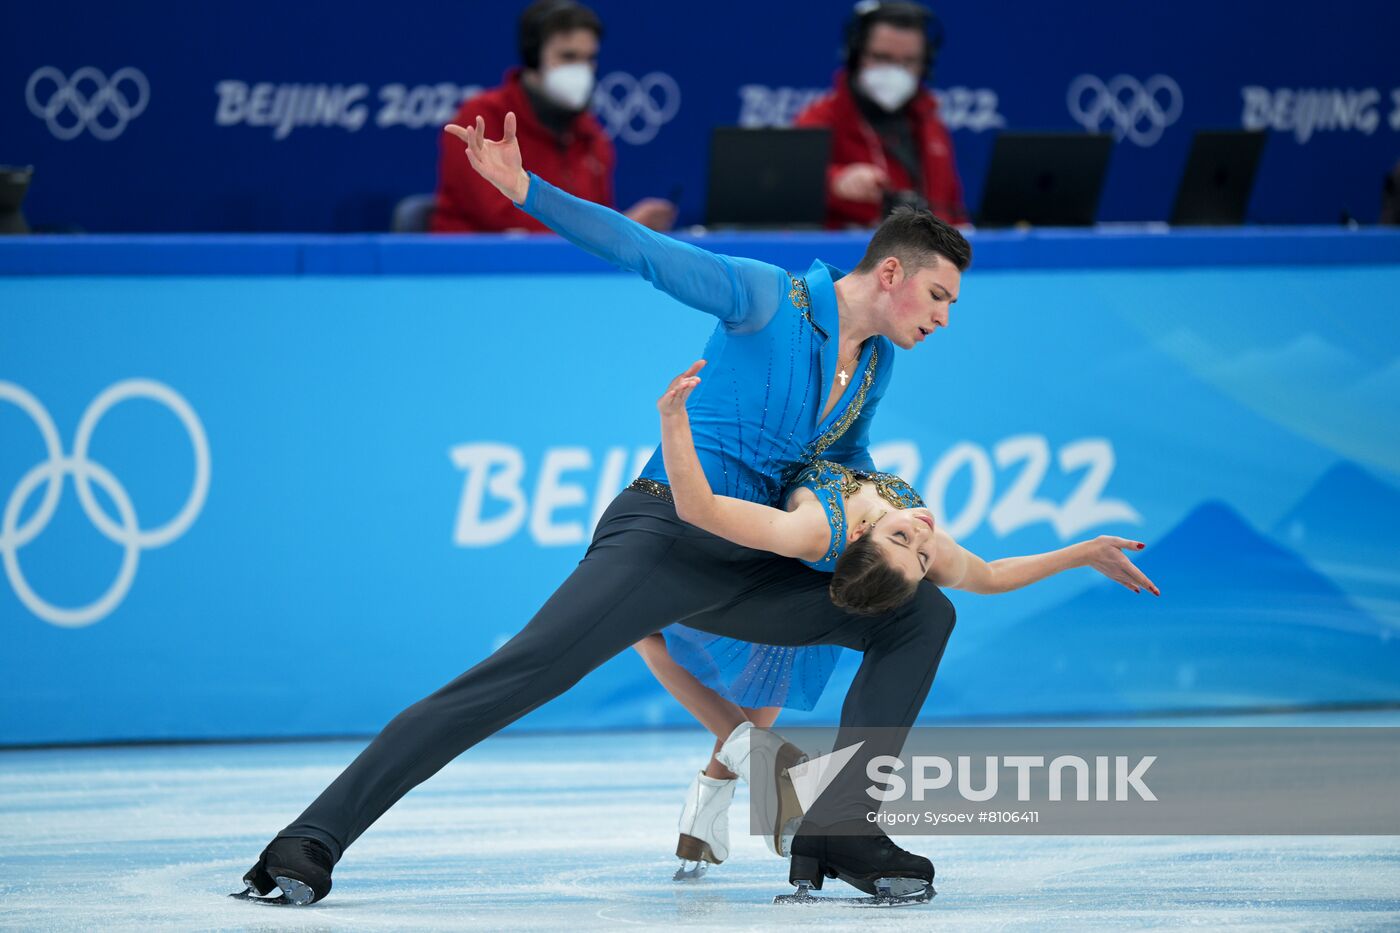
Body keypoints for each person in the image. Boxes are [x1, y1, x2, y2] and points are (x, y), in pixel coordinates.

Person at [234, 110, 973, 908]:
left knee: (917, 615)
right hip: (663, 537)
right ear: (891, 274)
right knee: (511, 679)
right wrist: (525, 190)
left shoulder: (872, 370)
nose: (941, 317)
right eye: (938, 294)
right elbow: (644, 250)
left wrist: (893, 514)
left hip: (754, 558)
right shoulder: (771, 298)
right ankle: (309, 837)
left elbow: (845, 465)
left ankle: (846, 825)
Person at [638, 360, 1158, 878]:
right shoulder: (835, 527)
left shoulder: (890, 542)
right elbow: (709, 506)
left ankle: (713, 803)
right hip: (745, 559)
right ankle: (728, 786)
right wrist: (677, 427)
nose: (923, 533)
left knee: (756, 686)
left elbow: (993, 575)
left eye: (919, 552)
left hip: (798, 580)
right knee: (652, 630)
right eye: (909, 541)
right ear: (864, 535)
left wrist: (1083, 552)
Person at [430, 0, 675, 233]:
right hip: (475, 271)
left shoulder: (592, 137)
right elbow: (504, 223)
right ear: (532, 58)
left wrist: (626, 231)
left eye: (589, 59)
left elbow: (590, 231)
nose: (582, 70)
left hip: (563, 276)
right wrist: (615, 228)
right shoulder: (480, 119)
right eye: (568, 57)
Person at [795, 1, 968, 229]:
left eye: (909, 61)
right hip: (854, 258)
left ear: (925, 64)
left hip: (928, 257)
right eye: (882, 58)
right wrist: (836, 181)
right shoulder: (821, 118)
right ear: (856, 55)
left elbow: (954, 211)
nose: (895, 71)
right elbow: (791, 185)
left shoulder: (931, 123)